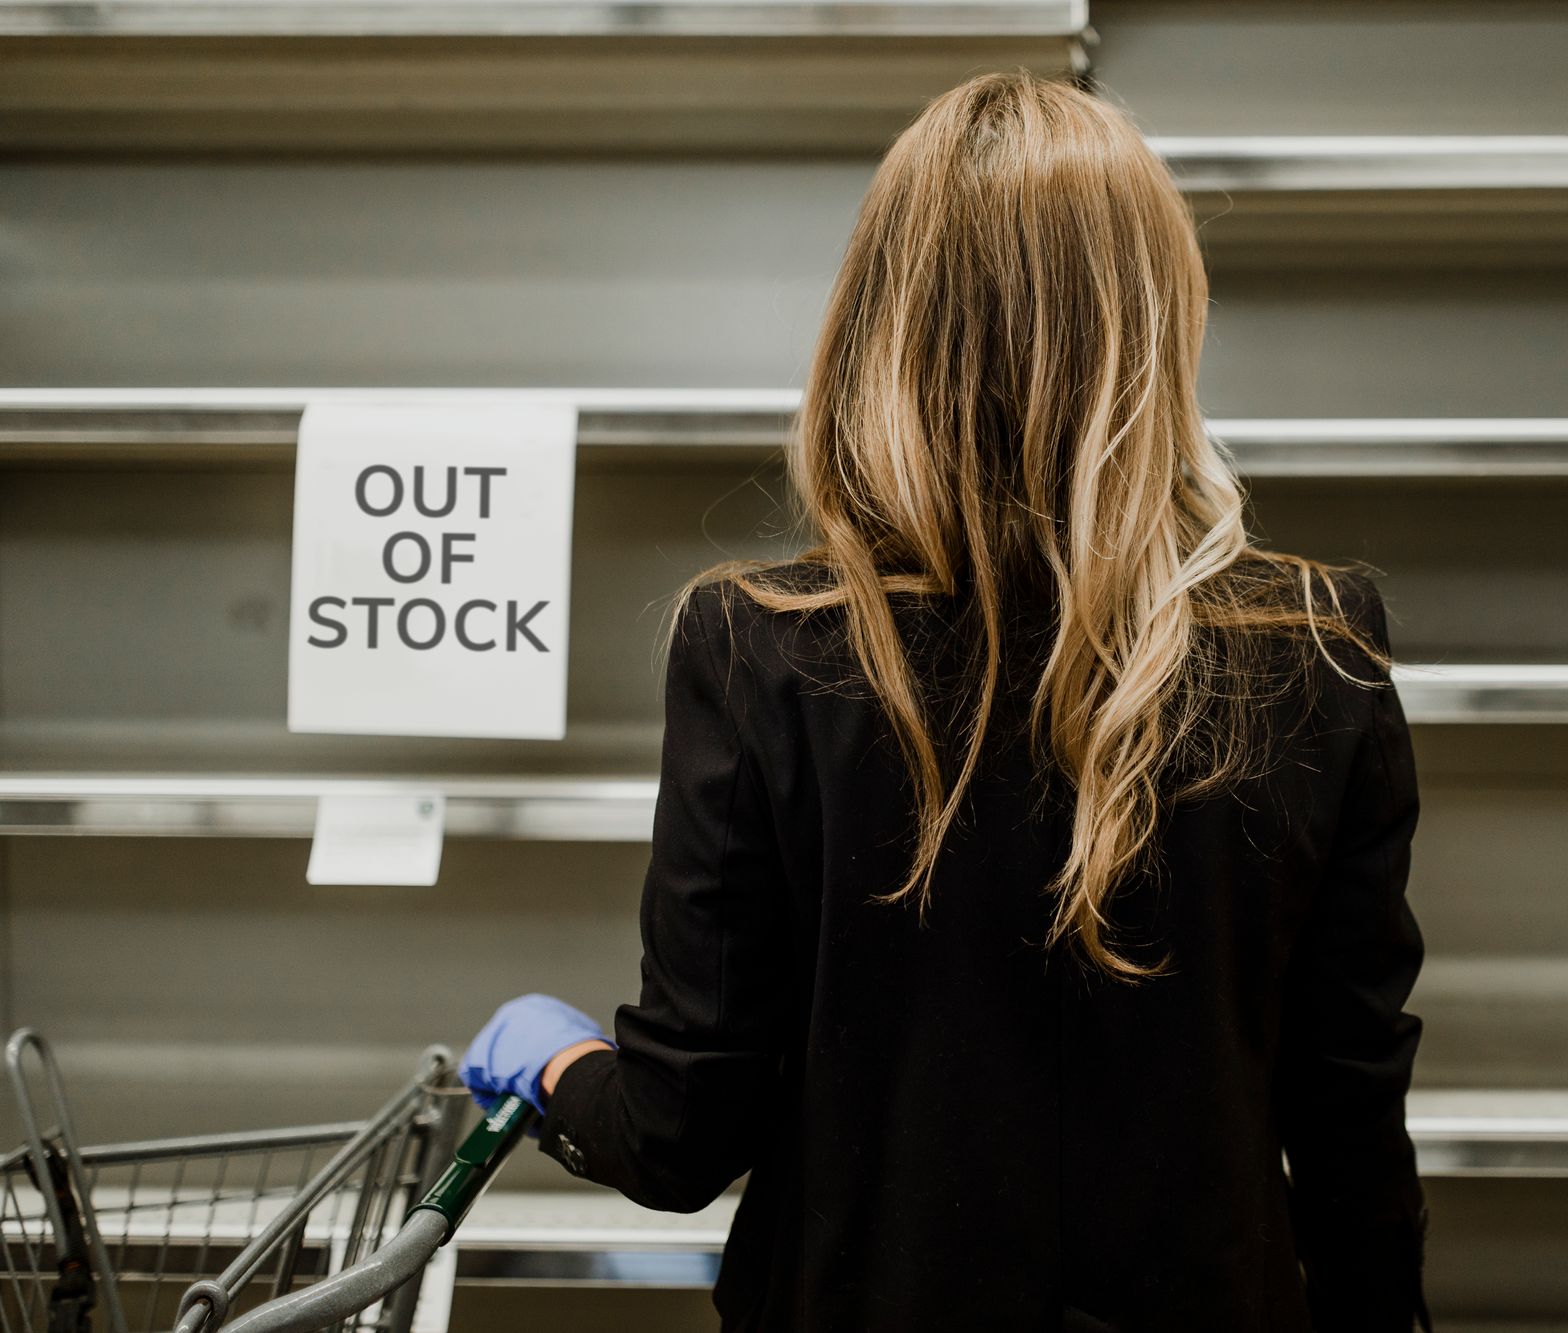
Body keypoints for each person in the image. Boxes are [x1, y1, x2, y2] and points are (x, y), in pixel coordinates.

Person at [459, 69, 1432, 1333]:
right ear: (1157, 322)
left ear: (882, 323)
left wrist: (556, 1063)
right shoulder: (1312, 646)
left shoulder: (763, 647)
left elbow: (681, 1132)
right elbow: (1349, 1122)